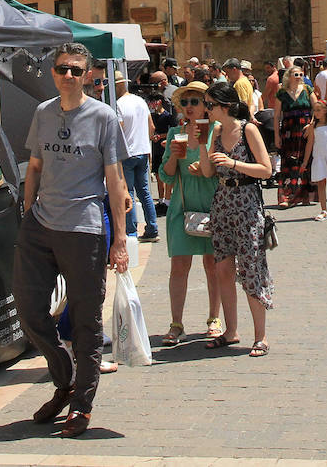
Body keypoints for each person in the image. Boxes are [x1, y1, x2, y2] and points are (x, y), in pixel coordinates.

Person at [14, 43, 131, 436]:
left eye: (76, 71)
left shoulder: (103, 117)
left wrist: (119, 241)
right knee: (28, 310)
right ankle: (63, 379)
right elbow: (34, 165)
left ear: (88, 76)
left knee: (85, 320)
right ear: (53, 73)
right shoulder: (43, 112)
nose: (69, 76)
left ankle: (81, 403)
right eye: (63, 69)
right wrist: (28, 211)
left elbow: (115, 181)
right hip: (40, 226)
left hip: (83, 230)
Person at [199, 80, 274, 356]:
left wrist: (233, 163)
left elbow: (266, 170)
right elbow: (207, 172)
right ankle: (231, 331)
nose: (206, 110)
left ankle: (260, 336)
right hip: (223, 204)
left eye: (210, 105)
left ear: (225, 106)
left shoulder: (248, 129)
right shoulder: (216, 132)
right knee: (223, 268)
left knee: (251, 267)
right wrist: (201, 143)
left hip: (246, 203)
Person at [157, 81, 222, 346]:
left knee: (213, 265)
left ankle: (214, 319)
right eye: (185, 102)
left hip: (211, 204)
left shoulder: (214, 132)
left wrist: (206, 165)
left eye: (195, 102)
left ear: (207, 105)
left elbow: (222, 169)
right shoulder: (175, 133)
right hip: (182, 207)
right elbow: (166, 176)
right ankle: (176, 323)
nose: (189, 107)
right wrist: (173, 156)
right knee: (179, 266)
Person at [114, 73, 158, 242]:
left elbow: (119, 129)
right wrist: (144, 142)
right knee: (144, 192)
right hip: (142, 151)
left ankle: (131, 231)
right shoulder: (140, 101)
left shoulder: (118, 104)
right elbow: (151, 126)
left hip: (128, 153)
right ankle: (152, 228)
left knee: (129, 192)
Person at [273, 66, 315, 208]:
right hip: (288, 131)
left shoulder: (308, 90)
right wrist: (276, 135)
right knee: (288, 162)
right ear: (289, 76)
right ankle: (286, 196)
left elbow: (317, 109)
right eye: (296, 74)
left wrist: (312, 125)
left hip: (305, 130)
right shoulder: (281, 93)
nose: (298, 77)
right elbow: (277, 115)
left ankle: (304, 196)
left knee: (305, 161)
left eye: (301, 74)